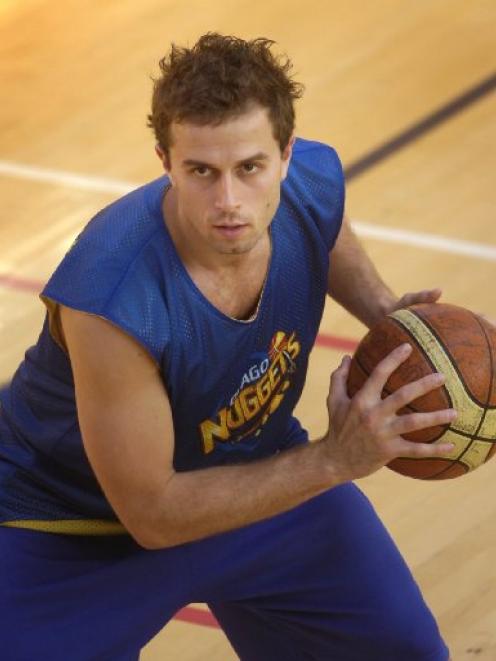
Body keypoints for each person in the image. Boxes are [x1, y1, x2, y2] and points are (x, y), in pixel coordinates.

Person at [0, 34, 456, 660]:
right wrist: (333, 460)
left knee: (401, 651)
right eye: (200, 172)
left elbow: (322, 221)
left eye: (250, 168)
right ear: (164, 160)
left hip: (252, 474)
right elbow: (154, 514)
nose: (229, 202)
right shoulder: (111, 297)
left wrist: (384, 313)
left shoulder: (310, 179)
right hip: (72, 528)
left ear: (286, 155)